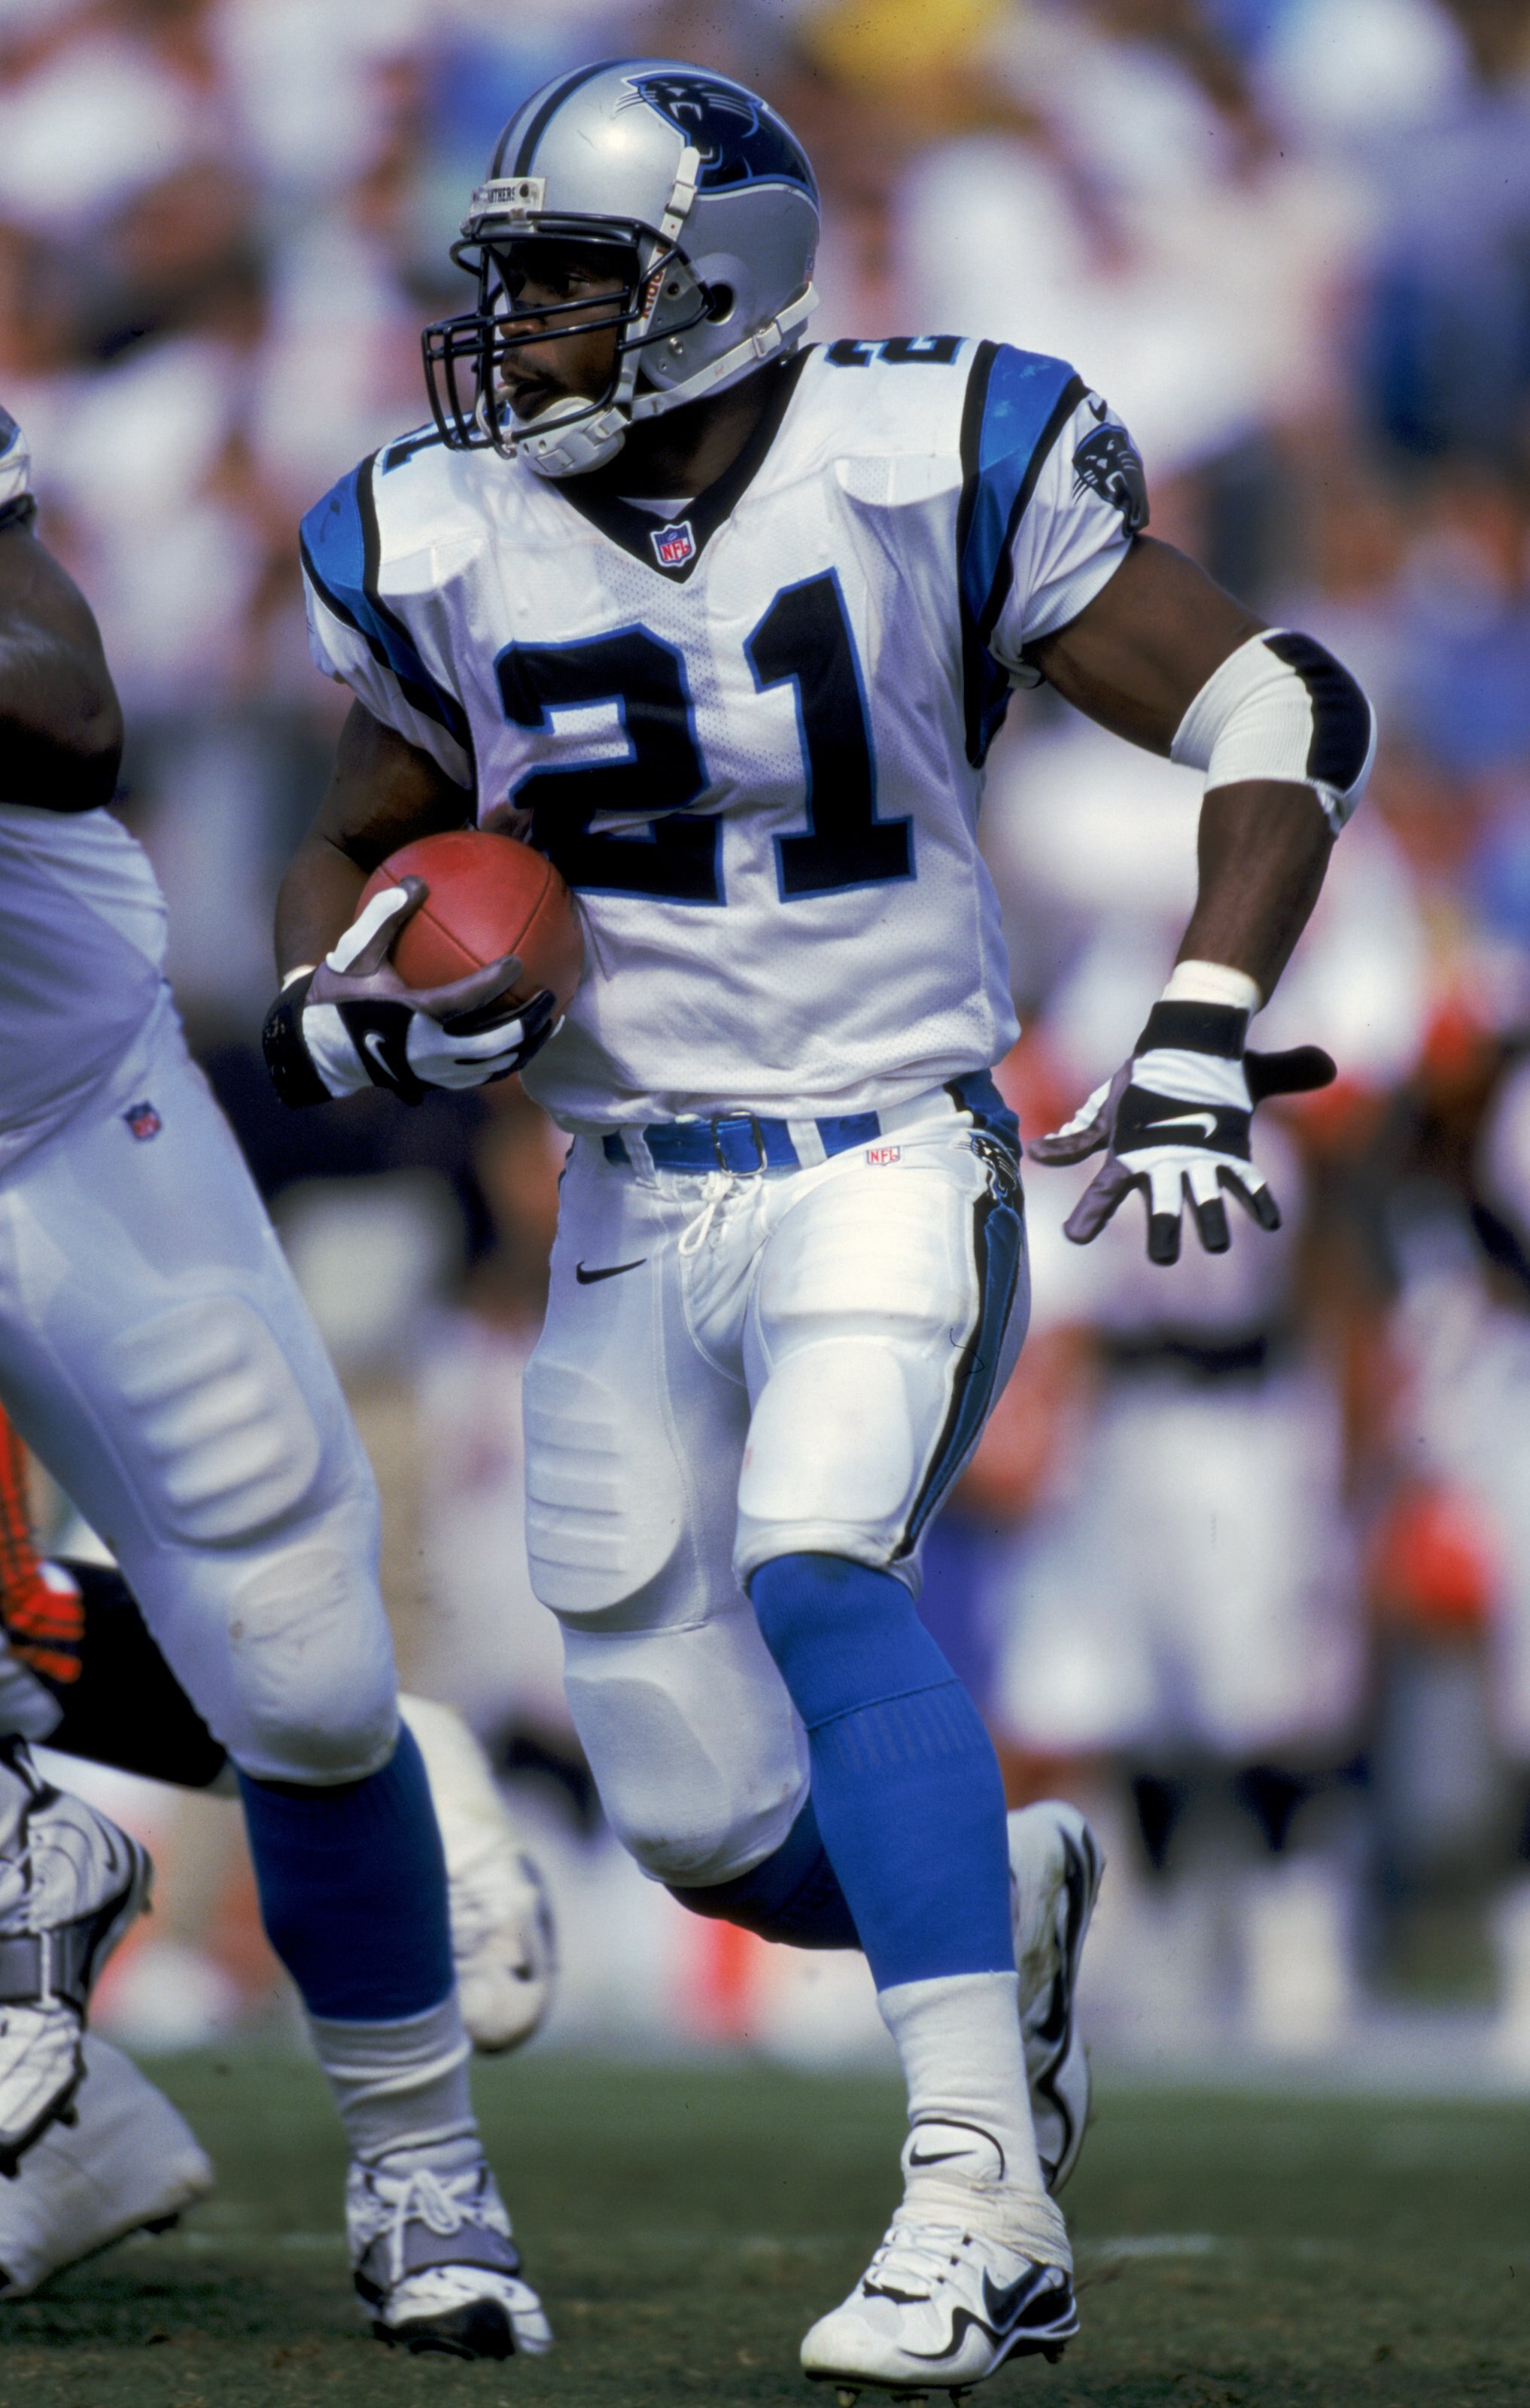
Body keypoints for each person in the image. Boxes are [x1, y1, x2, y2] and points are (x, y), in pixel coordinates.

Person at [263, 58, 1373, 2399]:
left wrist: (1192, 1019)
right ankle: (1014, 1896)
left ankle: (981, 2196)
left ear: (721, 292)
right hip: (624, 1198)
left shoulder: (920, 457)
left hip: (886, 1141)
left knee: (813, 1560)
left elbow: (1280, 701)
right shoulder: (435, 530)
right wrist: (358, 996)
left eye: (574, 284)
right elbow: (372, 832)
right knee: (694, 1817)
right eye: (513, 286)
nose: (520, 335)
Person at [0, 412, 548, 2359]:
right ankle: (76, 2106)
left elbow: (67, 714)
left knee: (303, 1675)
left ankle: (421, 2167)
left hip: (51, 1119)